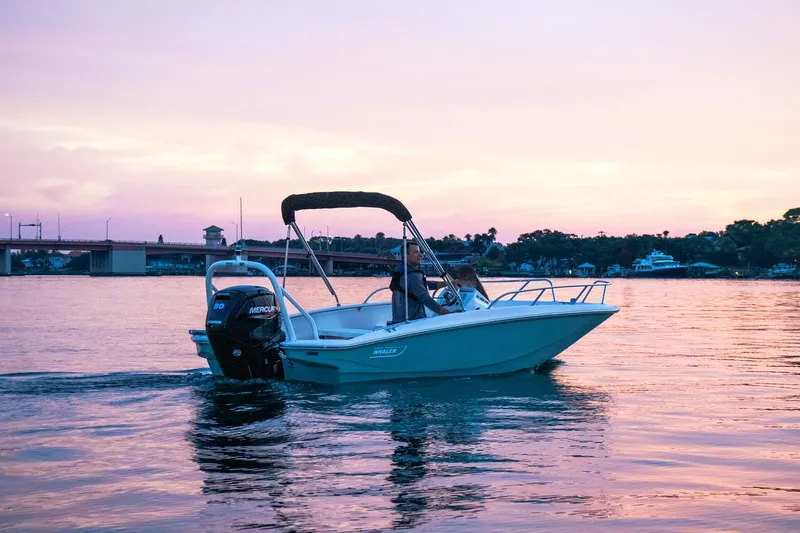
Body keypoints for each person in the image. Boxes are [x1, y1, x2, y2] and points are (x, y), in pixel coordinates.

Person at [390, 241, 462, 323]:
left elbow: (424, 285)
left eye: (420, 252)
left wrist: (447, 283)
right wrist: (449, 314)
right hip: (413, 323)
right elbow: (426, 299)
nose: (420, 255)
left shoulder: (400, 272)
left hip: (399, 321)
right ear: (406, 255)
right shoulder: (413, 276)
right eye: (416, 252)